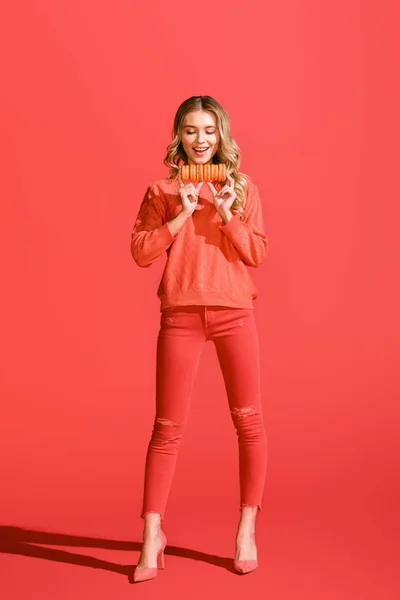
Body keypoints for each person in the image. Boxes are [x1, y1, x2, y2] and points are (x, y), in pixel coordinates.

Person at [130, 95, 269, 582]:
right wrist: (180, 215)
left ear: (221, 135)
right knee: (166, 427)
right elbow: (141, 253)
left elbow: (256, 254)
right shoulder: (163, 190)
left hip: (234, 313)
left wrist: (228, 213)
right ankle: (152, 534)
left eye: (209, 130)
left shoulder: (242, 187)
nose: (201, 139)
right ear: (179, 137)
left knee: (248, 420)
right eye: (191, 130)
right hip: (181, 314)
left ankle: (247, 527)